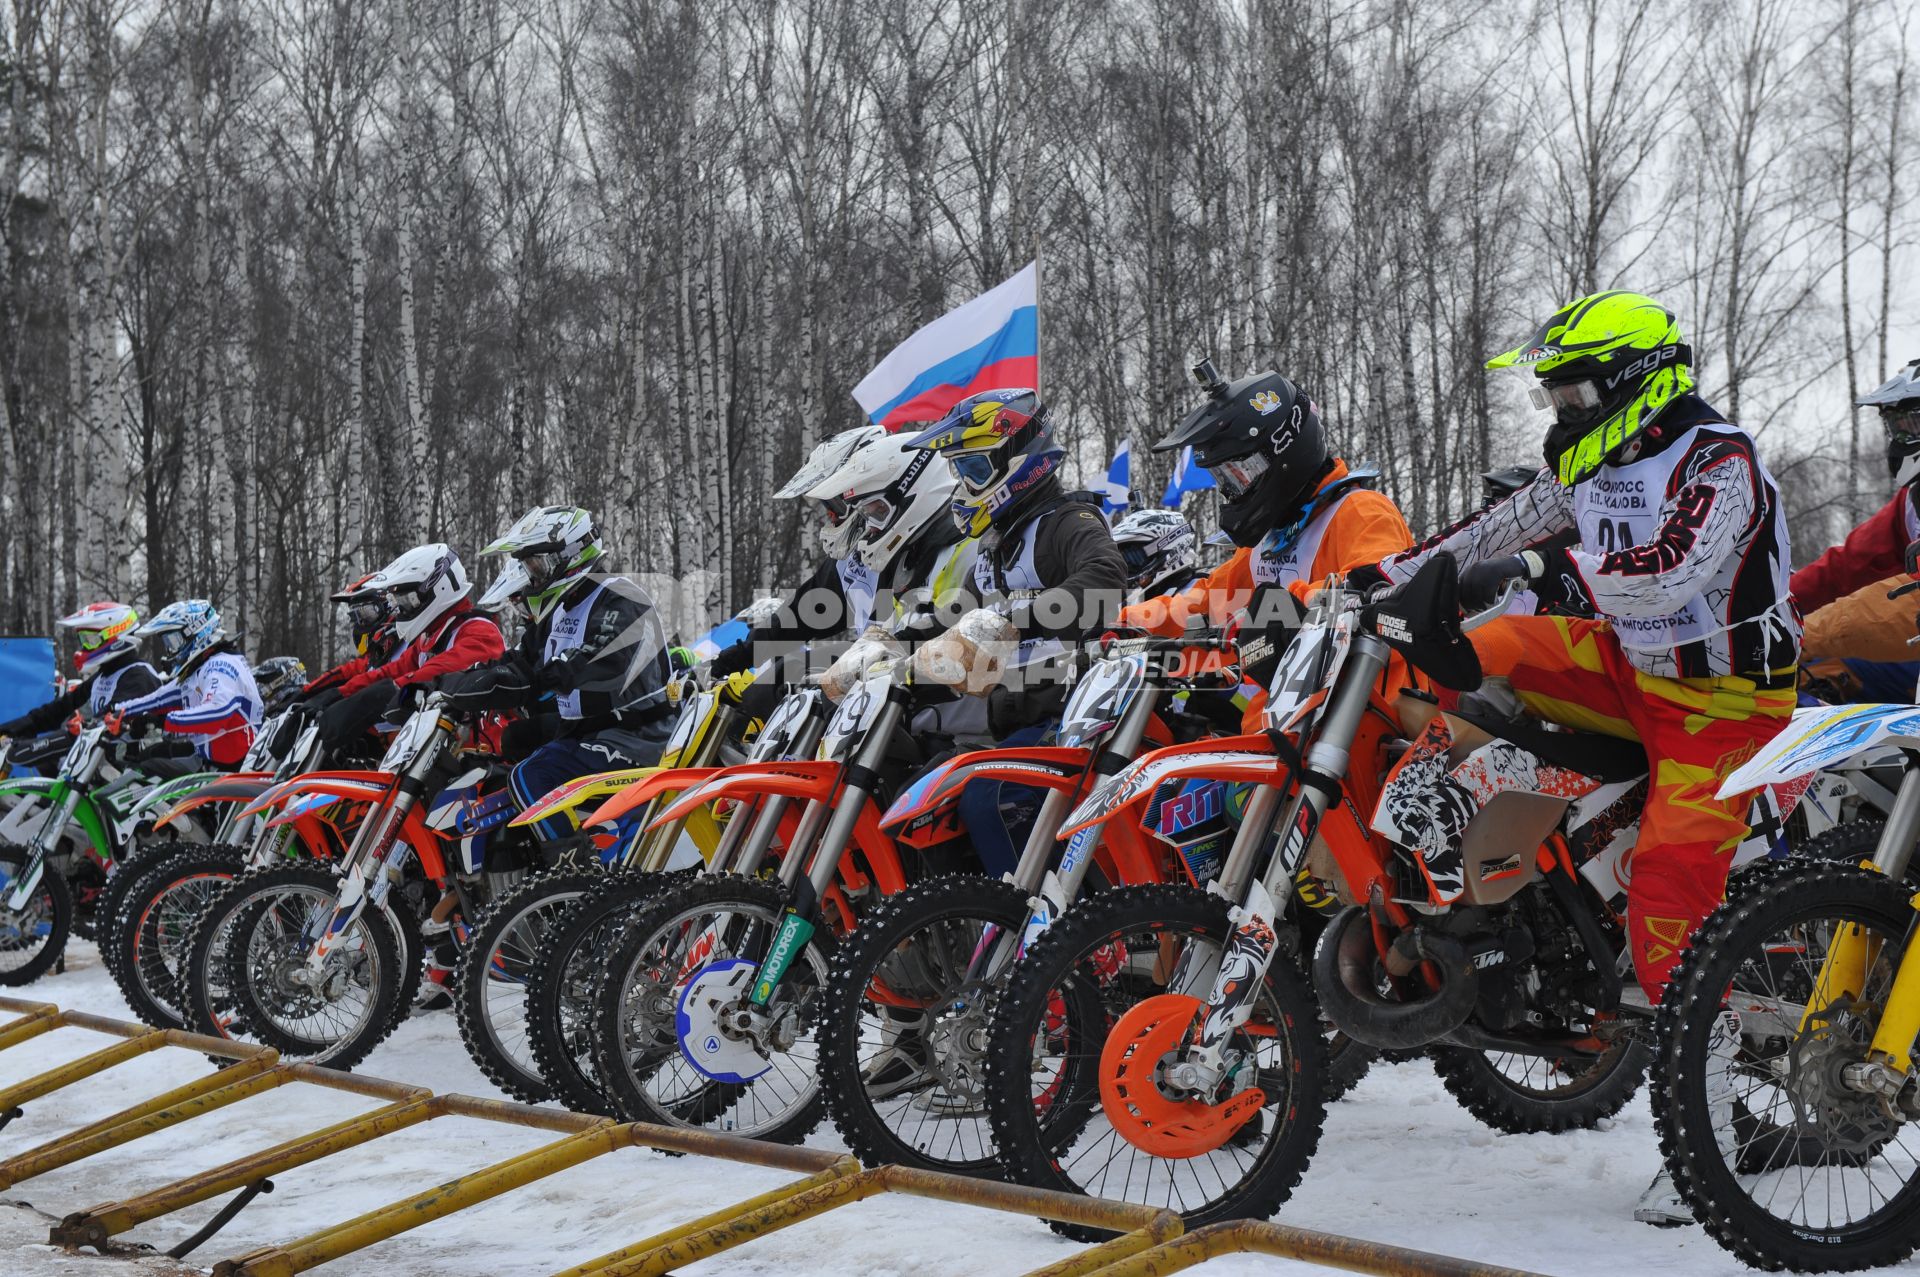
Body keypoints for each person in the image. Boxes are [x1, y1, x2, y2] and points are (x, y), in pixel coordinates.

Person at [1361, 290, 1798, 1015]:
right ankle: (1485, 830)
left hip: (1725, 702)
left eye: (1575, 392)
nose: (1563, 410)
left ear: (1637, 378)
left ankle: (1705, 1062)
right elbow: (1495, 526)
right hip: (1629, 665)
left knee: (1665, 908)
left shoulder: (1720, 460)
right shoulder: (1594, 459)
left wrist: (1545, 569)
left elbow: (1670, 570)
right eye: (1554, 393)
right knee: (1485, 644)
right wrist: (1378, 579)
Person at [903, 389, 1129, 875]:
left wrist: (1014, 617)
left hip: (1072, 715)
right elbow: (951, 618)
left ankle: (1058, 933)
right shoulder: (992, 552)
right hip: (1009, 720)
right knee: (916, 799)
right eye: (960, 473)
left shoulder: (1069, 521)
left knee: (992, 796)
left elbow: (1106, 579)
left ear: (1019, 460)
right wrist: (886, 651)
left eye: (975, 471)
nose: (966, 486)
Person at [1116, 362, 1414, 728]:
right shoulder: (1273, 536)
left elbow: (1378, 589)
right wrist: (1124, 622)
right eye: (1224, 478)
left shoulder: (1360, 511)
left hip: (1363, 724)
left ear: (1284, 448)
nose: (1231, 488)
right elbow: (1209, 601)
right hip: (1280, 725)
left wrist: (1278, 611)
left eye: (1240, 474)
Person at [434, 507, 676, 840]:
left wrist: (532, 681)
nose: (532, 575)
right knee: (496, 772)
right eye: (528, 567)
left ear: (571, 555)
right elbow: (518, 659)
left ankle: (572, 873)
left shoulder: (620, 598)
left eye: (537, 565)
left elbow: (591, 658)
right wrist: (457, 684)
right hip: (589, 734)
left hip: (640, 738)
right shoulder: (561, 609)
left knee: (530, 776)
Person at [316, 544, 504, 753]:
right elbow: (392, 671)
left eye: (407, 599)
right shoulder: (431, 636)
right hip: (437, 754)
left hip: (485, 753)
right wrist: (339, 694)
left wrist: (380, 697)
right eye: (399, 601)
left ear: (439, 586)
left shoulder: (479, 631)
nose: (402, 608)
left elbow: (436, 672)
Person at [119, 601, 265, 768]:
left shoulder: (220, 665)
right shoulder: (200, 669)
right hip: (212, 761)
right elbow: (158, 699)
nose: (170, 650)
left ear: (196, 632)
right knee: (149, 759)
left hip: (239, 768)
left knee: (154, 773)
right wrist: (120, 711)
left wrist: (164, 721)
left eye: (173, 642)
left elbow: (218, 711)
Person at [0, 602, 165, 740]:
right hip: (105, 767)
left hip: (139, 770)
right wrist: (18, 727)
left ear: (114, 635)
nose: (85, 647)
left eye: (90, 640)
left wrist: (76, 729)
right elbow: (63, 707)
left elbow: (107, 719)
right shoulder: (105, 675)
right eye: (83, 640)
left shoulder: (139, 677)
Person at [297, 574, 400, 707]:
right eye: (356, 616)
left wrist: (342, 696)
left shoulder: (404, 642)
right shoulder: (378, 653)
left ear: (388, 605)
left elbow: (377, 679)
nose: (361, 621)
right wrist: (306, 692)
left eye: (366, 613)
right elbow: (347, 671)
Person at [1110, 508, 1202, 603]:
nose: (1126, 567)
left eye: (1133, 557)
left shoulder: (1201, 589)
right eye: (1120, 560)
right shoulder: (1140, 598)